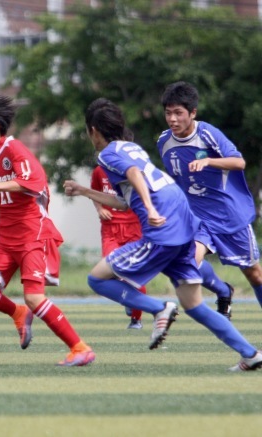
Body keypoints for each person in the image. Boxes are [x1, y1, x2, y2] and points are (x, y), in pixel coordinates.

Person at [63, 97, 262, 371]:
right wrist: (85, 191)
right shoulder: (131, 147)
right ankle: (250, 353)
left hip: (163, 226)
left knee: (96, 278)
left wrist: (148, 207)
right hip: (183, 218)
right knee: (193, 304)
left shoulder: (107, 154)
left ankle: (158, 308)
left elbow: (135, 174)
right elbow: (123, 201)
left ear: (93, 130)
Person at [0, 94, 95, 367]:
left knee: (35, 297)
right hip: (5, 236)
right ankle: (18, 313)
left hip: (31, 234)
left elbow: (34, 181)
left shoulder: (15, 149)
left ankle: (80, 348)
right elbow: (8, 177)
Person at [157, 81, 262, 317]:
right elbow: (176, 181)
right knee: (188, 263)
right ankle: (222, 290)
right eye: (168, 113)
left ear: (192, 113)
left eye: (178, 113)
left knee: (254, 273)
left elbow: (239, 162)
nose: (172, 119)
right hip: (197, 217)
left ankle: (225, 291)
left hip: (228, 215)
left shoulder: (206, 133)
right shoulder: (164, 142)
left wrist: (208, 161)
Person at [90, 164, 147, 329]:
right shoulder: (99, 171)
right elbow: (94, 192)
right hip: (110, 229)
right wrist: (99, 208)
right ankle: (127, 297)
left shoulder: (135, 170)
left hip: (134, 229)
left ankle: (136, 320)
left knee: (135, 277)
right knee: (108, 271)